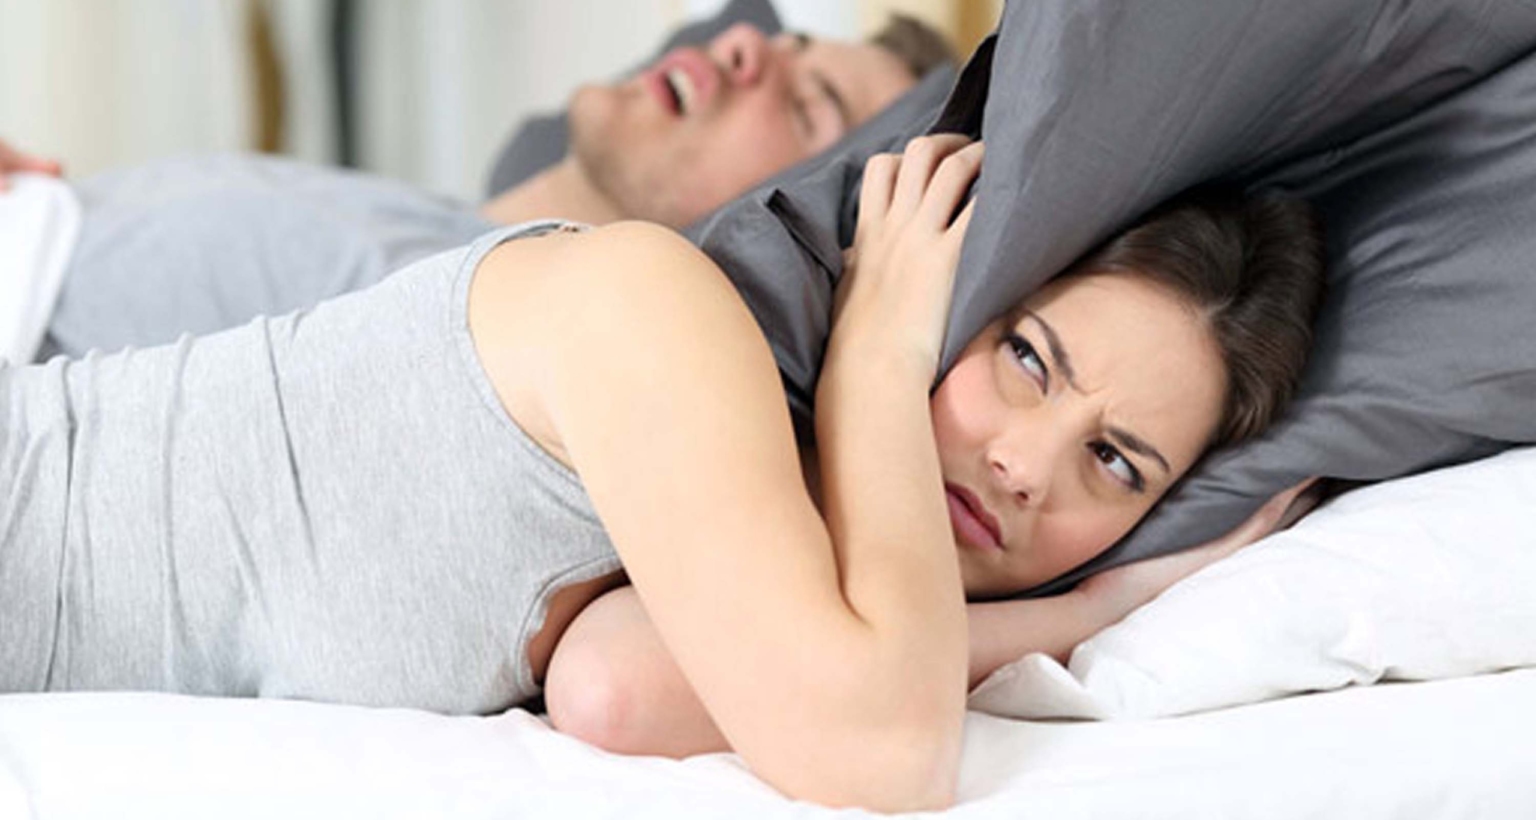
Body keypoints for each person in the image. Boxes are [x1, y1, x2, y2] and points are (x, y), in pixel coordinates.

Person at [0, 136, 1324, 811]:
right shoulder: (658, 306)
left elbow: (617, 693)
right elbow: (884, 750)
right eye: (1024, 357)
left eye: (1114, 461)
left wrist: (1092, 609)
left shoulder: (749, 564)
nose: (1024, 463)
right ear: (948, 288)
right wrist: (877, 352)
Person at [0, 16, 950, 360]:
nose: (743, 45)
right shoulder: (421, 218)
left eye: (811, 104)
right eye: (782, 40)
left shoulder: (473, 344)